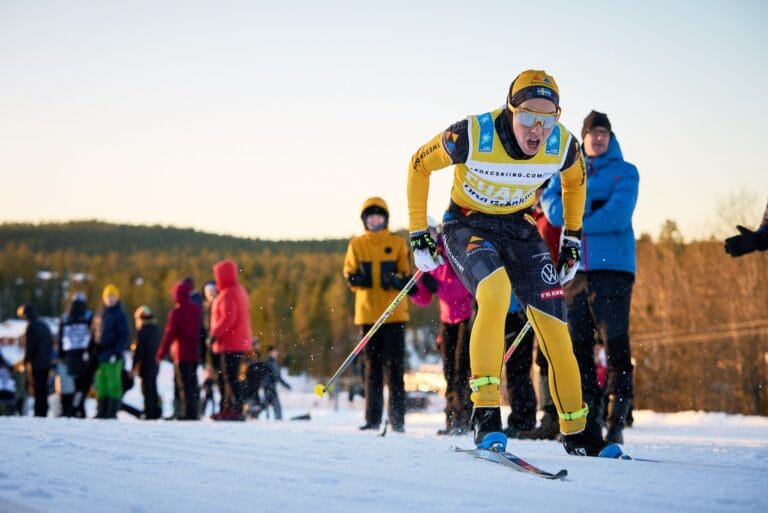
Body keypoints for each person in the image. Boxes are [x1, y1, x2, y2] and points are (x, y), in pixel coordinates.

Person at [407, 70, 612, 457]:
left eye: (547, 119)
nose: (537, 129)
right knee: (496, 292)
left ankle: (578, 432)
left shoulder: (564, 144)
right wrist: (419, 231)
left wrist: (571, 237)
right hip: (466, 225)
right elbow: (419, 164)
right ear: (509, 110)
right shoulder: (471, 134)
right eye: (528, 117)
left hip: (519, 228)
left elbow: (575, 181)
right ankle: (485, 416)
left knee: (555, 327)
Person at [541, 110, 639, 446]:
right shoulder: (569, 171)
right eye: (592, 132)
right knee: (578, 346)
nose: (598, 138)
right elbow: (551, 204)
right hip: (576, 271)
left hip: (614, 270)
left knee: (615, 346)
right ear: (582, 137)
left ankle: (617, 417)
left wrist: (576, 217)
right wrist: (584, 211)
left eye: (603, 132)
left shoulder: (626, 172)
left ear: (610, 138)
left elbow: (617, 215)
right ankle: (590, 417)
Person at [343, 197, 411, 433]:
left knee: (395, 369)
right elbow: (349, 274)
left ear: (385, 219)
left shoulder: (398, 243)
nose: (375, 221)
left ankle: (397, 420)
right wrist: (359, 279)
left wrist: (394, 280)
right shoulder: (356, 245)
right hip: (368, 315)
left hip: (394, 315)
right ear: (365, 220)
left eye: (379, 217)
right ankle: (372, 418)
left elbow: (408, 278)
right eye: (371, 217)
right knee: (372, 369)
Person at [409, 216, 474, 435]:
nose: (428, 237)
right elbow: (425, 298)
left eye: (430, 232)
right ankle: (452, 418)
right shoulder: (425, 258)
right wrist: (414, 290)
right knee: (448, 371)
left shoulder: (450, 250)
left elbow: (463, 286)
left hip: (467, 315)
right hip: (447, 319)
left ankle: (465, 417)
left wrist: (438, 285)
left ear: (436, 233)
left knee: (461, 369)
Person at [210, 259, 252, 421]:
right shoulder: (237, 290)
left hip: (230, 342)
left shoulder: (229, 293)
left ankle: (236, 409)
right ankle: (229, 408)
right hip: (235, 341)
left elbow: (228, 318)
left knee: (230, 377)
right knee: (229, 376)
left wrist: (214, 333)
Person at [156, 280, 202, 420]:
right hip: (195, 352)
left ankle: (186, 413)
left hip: (181, 353)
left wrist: (161, 352)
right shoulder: (196, 309)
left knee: (183, 385)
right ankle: (193, 412)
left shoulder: (176, 312)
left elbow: (170, 334)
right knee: (193, 383)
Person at [94, 284, 130, 419]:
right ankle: (101, 411)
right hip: (100, 356)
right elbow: (94, 334)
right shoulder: (100, 314)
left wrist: (116, 352)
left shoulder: (120, 314)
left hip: (113, 356)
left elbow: (124, 335)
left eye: (112, 296)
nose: (110, 299)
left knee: (113, 384)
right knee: (101, 384)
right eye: (108, 297)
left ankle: (112, 412)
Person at [56, 293, 93, 417]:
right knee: (82, 386)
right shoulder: (88, 316)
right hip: (84, 356)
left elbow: (60, 337)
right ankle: (78, 409)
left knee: (69, 387)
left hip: (69, 357)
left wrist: (61, 356)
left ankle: (69, 410)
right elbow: (93, 335)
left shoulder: (65, 318)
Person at [18, 304, 53, 417]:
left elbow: (30, 347)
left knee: (38, 388)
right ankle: (44, 410)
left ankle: (39, 412)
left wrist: (25, 361)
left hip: (37, 363)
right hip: (46, 361)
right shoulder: (44, 325)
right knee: (44, 387)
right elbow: (50, 342)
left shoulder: (31, 327)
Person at [132, 305, 161, 420]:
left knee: (147, 390)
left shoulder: (142, 331)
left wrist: (134, 367)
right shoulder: (155, 329)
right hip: (155, 364)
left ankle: (149, 413)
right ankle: (155, 411)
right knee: (153, 388)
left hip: (145, 365)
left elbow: (138, 351)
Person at [261, 346, 291, 420]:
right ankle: (277, 420)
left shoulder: (271, 362)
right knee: (275, 407)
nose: (276, 353)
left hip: (269, 387)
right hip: (269, 387)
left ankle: (269, 418)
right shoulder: (270, 363)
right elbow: (275, 376)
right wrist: (285, 385)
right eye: (274, 352)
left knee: (266, 406)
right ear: (270, 353)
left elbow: (277, 376)